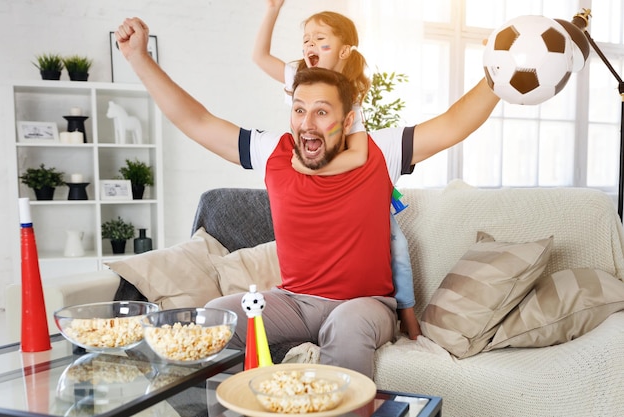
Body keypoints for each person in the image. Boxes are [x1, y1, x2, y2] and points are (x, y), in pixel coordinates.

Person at [114, 16, 499, 378]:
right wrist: (139, 58)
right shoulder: (275, 152)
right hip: (294, 302)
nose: (306, 123)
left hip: (365, 305)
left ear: (348, 120)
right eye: (299, 110)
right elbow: (196, 120)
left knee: (346, 326)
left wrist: (499, 72)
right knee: (217, 315)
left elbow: (453, 124)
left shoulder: (380, 150)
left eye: (321, 112)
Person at [253, 0, 421, 339]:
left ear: (344, 51)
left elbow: (358, 155)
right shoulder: (298, 73)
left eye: (320, 39)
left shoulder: (351, 96)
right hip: (319, 172)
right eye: (307, 40)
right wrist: (271, 11)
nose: (310, 46)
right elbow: (259, 57)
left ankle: (409, 318)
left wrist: (308, 168)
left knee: (398, 245)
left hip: (357, 186)